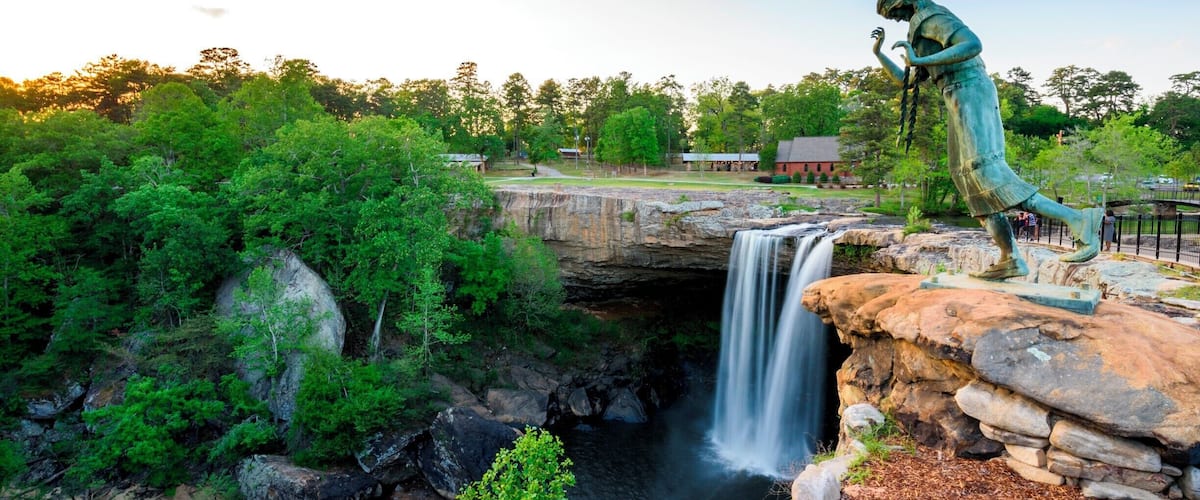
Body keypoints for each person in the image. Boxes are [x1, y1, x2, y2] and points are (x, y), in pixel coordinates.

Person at [871, 0, 1102, 280]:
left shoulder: (930, 15)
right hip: (956, 96)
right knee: (967, 179)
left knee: (988, 172)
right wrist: (879, 53)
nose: (895, 19)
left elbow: (972, 44)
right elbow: (907, 80)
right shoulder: (917, 28)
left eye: (893, 12)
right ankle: (1010, 258)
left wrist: (920, 60)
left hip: (969, 90)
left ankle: (1077, 219)